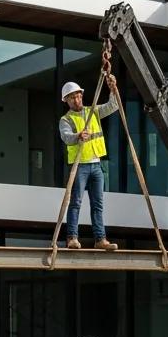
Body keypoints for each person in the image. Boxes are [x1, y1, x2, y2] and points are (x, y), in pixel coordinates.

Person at [59, 79, 119, 252]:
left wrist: (113, 88)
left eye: (78, 96)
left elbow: (113, 105)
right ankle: (72, 238)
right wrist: (78, 136)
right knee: (76, 202)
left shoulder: (93, 111)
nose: (76, 100)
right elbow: (66, 136)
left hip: (96, 165)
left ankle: (100, 239)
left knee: (98, 204)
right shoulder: (66, 119)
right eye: (72, 98)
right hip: (80, 166)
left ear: (81, 96)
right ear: (67, 101)